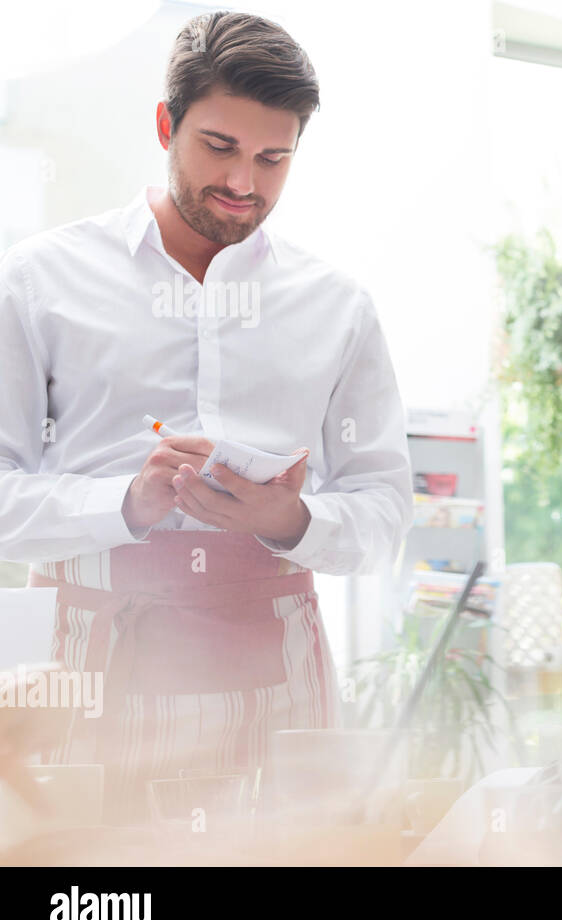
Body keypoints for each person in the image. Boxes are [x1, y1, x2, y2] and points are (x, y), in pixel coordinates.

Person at [0, 12, 413, 821]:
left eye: (273, 158)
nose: (245, 183)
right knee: (94, 895)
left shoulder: (339, 308)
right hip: (83, 667)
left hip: (279, 674)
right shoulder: (37, 280)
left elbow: (385, 511)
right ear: (166, 124)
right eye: (219, 147)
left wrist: (291, 517)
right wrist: (123, 504)